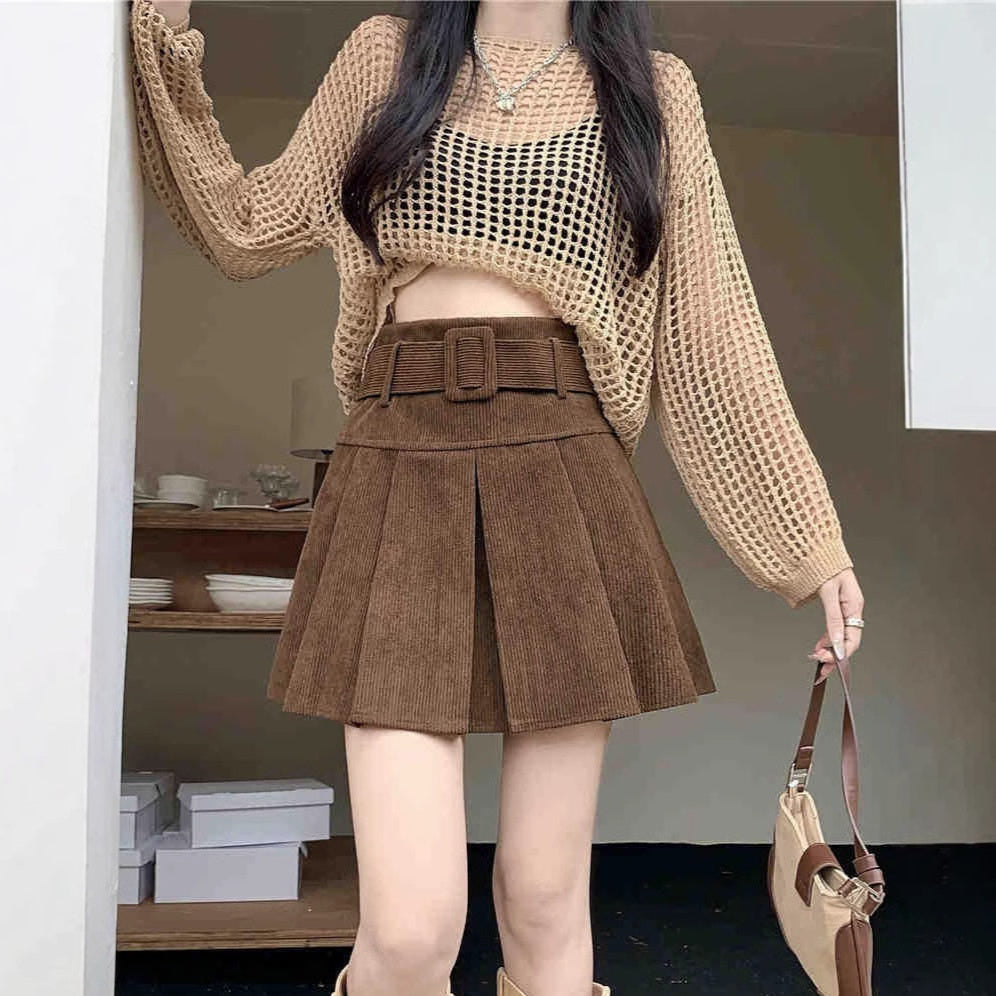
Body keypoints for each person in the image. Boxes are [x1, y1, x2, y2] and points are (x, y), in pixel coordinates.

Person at [129, 2, 866, 994]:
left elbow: (711, 335)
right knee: (410, 933)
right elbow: (245, 225)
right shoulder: (386, 58)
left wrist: (810, 549)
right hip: (399, 451)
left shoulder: (654, 91)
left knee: (544, 903)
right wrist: (163, 42)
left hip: (563, 458)